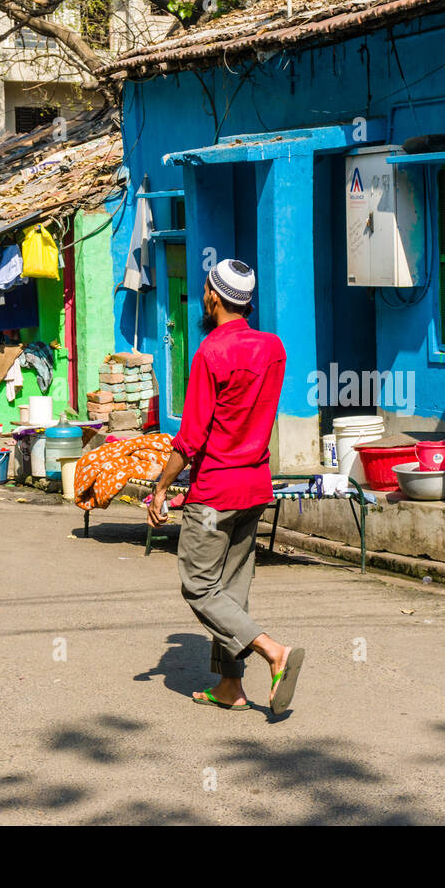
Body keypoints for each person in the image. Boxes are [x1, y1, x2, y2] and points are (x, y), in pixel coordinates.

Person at [147, 258, 305, 715]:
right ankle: (230, 686)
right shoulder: (273, 348)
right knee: (231, 591)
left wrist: (160, 487)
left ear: (213, 297)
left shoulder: (211, 353)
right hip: (254, 485)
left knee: (198, 586)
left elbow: (191, 438)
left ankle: (274, 651)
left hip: (215, 490)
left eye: (205, 290)